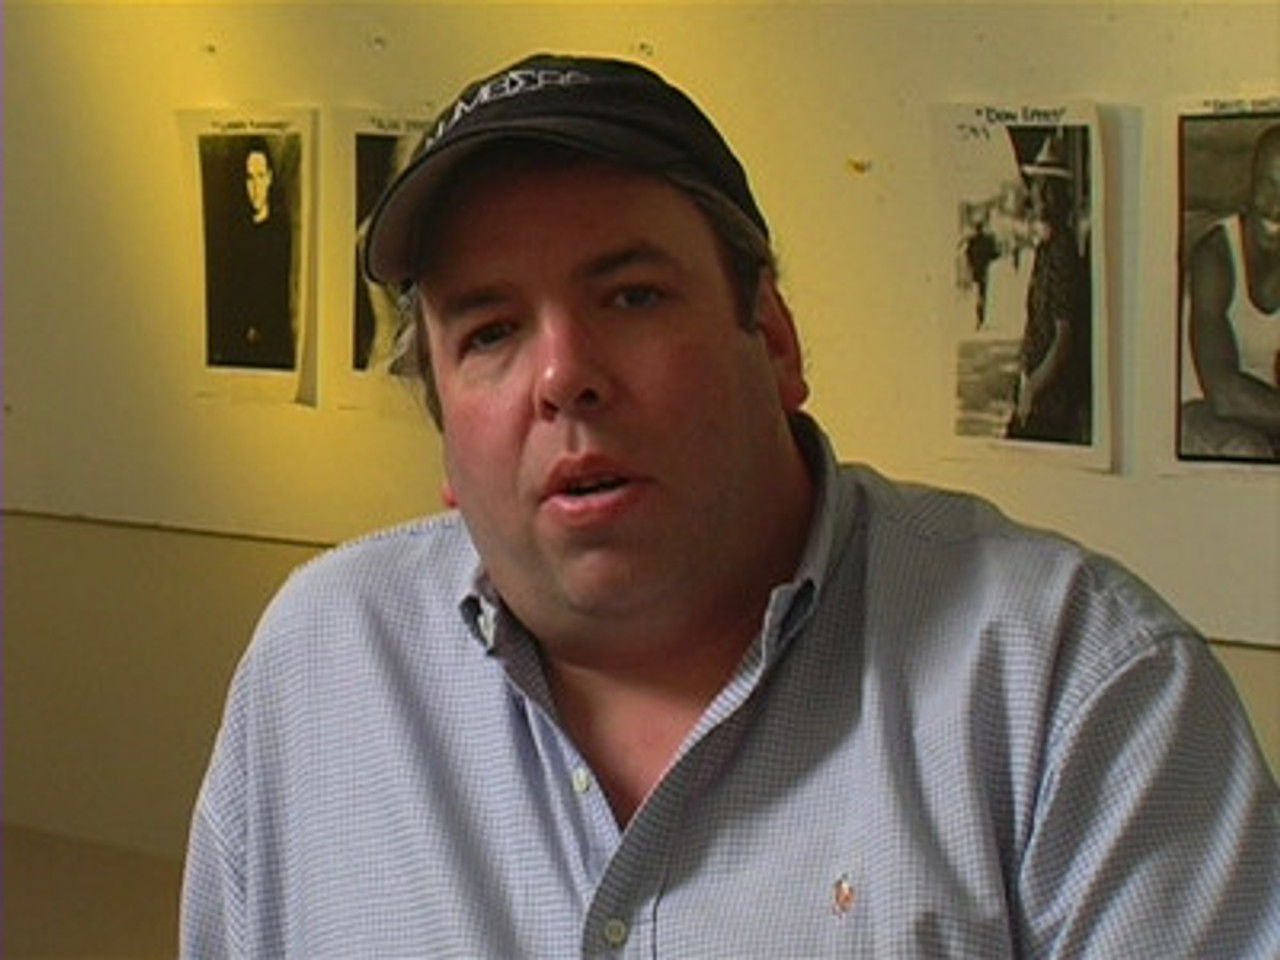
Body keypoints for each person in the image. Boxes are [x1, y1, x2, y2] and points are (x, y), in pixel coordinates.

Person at [182, 54, 1279, 958]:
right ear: (444, 436)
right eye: (491, 331)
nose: (563, 375)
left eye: (632, 295)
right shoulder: (320, 671)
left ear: (776, 342)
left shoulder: (1070, 693)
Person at [1180, 124, 1280, 461]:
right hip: (1199, 416)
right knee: (1249, 449)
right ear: (1250, 184)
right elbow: (1223, 394)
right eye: (1268, 185)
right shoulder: (1216, 255)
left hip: (1266, 420)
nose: (1275, 206)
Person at [1005, 135, 1092, 444]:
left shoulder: (1061, 252)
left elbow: (1063, 338)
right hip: (1038, 388)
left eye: (1041, 188)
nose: (1034, 195)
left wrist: (1032, 389)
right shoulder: (1047, 248)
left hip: (1051, 400)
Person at [204, 136, 296, 369]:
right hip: (238, 346)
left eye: (260, 176)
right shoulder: (235, 234)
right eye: (249, 178)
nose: (255, 188)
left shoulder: (281, 232)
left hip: (271, 347)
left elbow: (278, 297)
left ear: (270, 178)